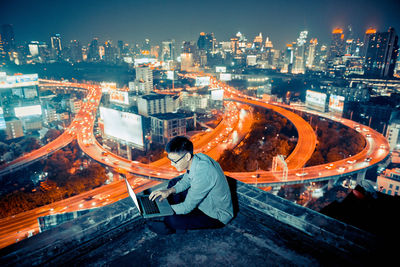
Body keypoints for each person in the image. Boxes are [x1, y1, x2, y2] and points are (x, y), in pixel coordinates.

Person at [148, 136, 233, 234]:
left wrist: (161, 209)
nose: (171, 164)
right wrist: (168, 191)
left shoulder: (203, 172)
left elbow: (187, 207)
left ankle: (171, 224)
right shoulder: (197, 158)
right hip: (205, 201)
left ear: (187, 156)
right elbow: (185, 181)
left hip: (216, 215)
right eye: (170, 160)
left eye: (175, 161)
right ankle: (173, 214)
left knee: (172, 220)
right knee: (173, 184)